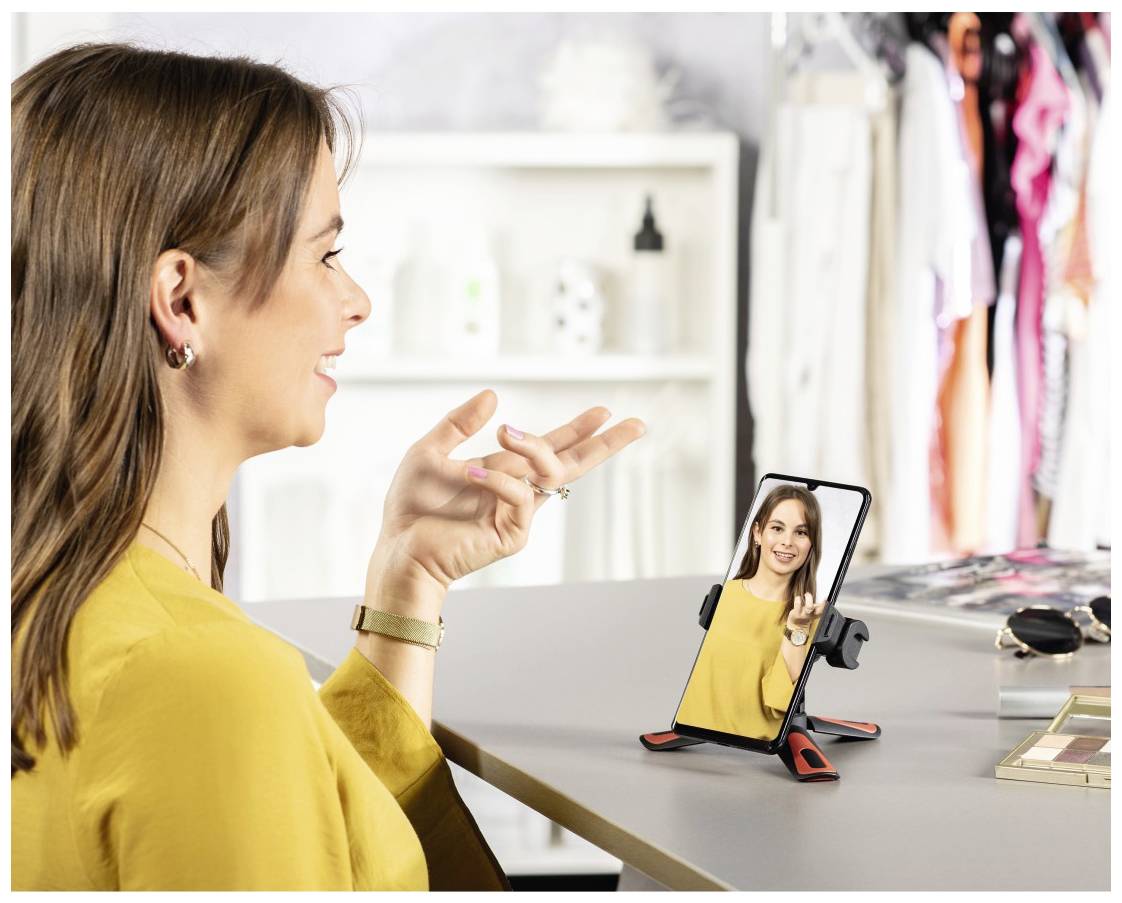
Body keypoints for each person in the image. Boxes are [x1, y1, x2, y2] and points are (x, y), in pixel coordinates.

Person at [10, 43, 647, 891]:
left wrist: (408, 580)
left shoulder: (64, 605)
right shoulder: (203, 679)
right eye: (323, 255)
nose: (356, 301)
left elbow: (308, 821)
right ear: (181, 300)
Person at [675, 484, 825, 741]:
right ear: (757, 533)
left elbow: (780, 704)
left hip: (756, 740)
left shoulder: (806, 617)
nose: (787, 542)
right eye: (777, 528)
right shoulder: (726, 595)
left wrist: (797, 629)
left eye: (801, 532)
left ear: (812, 544)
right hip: (694, 726)